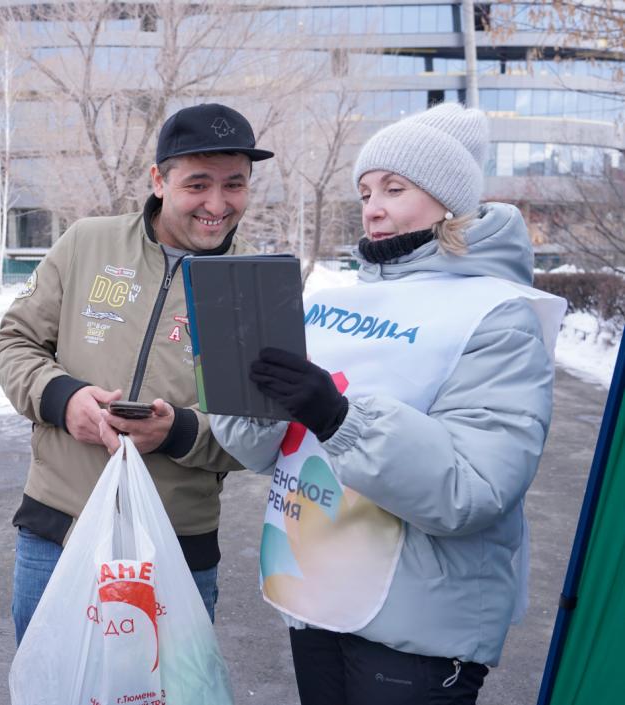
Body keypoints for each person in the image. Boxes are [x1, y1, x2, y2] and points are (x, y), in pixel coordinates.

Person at [211, 102, 567, 704]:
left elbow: (473, 490)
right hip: (319, 591)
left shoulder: (497, 315)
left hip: (418, 622)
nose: (372, 207)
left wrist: (339, 418)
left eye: (395, 189)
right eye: (366, 190)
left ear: (450, 202)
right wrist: (244, 390)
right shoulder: (336, 298)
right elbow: (263, 453)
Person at [0, 103, 275, 643]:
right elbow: (14, 342)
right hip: (58, 531)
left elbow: (263, 433)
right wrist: (62, 398)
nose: (217, 204)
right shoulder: (86, 243)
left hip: (175, 544)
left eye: (234, 185)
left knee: (165, 690)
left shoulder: (255, 287)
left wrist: (178, 433)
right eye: (198, 184)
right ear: (159, 180)